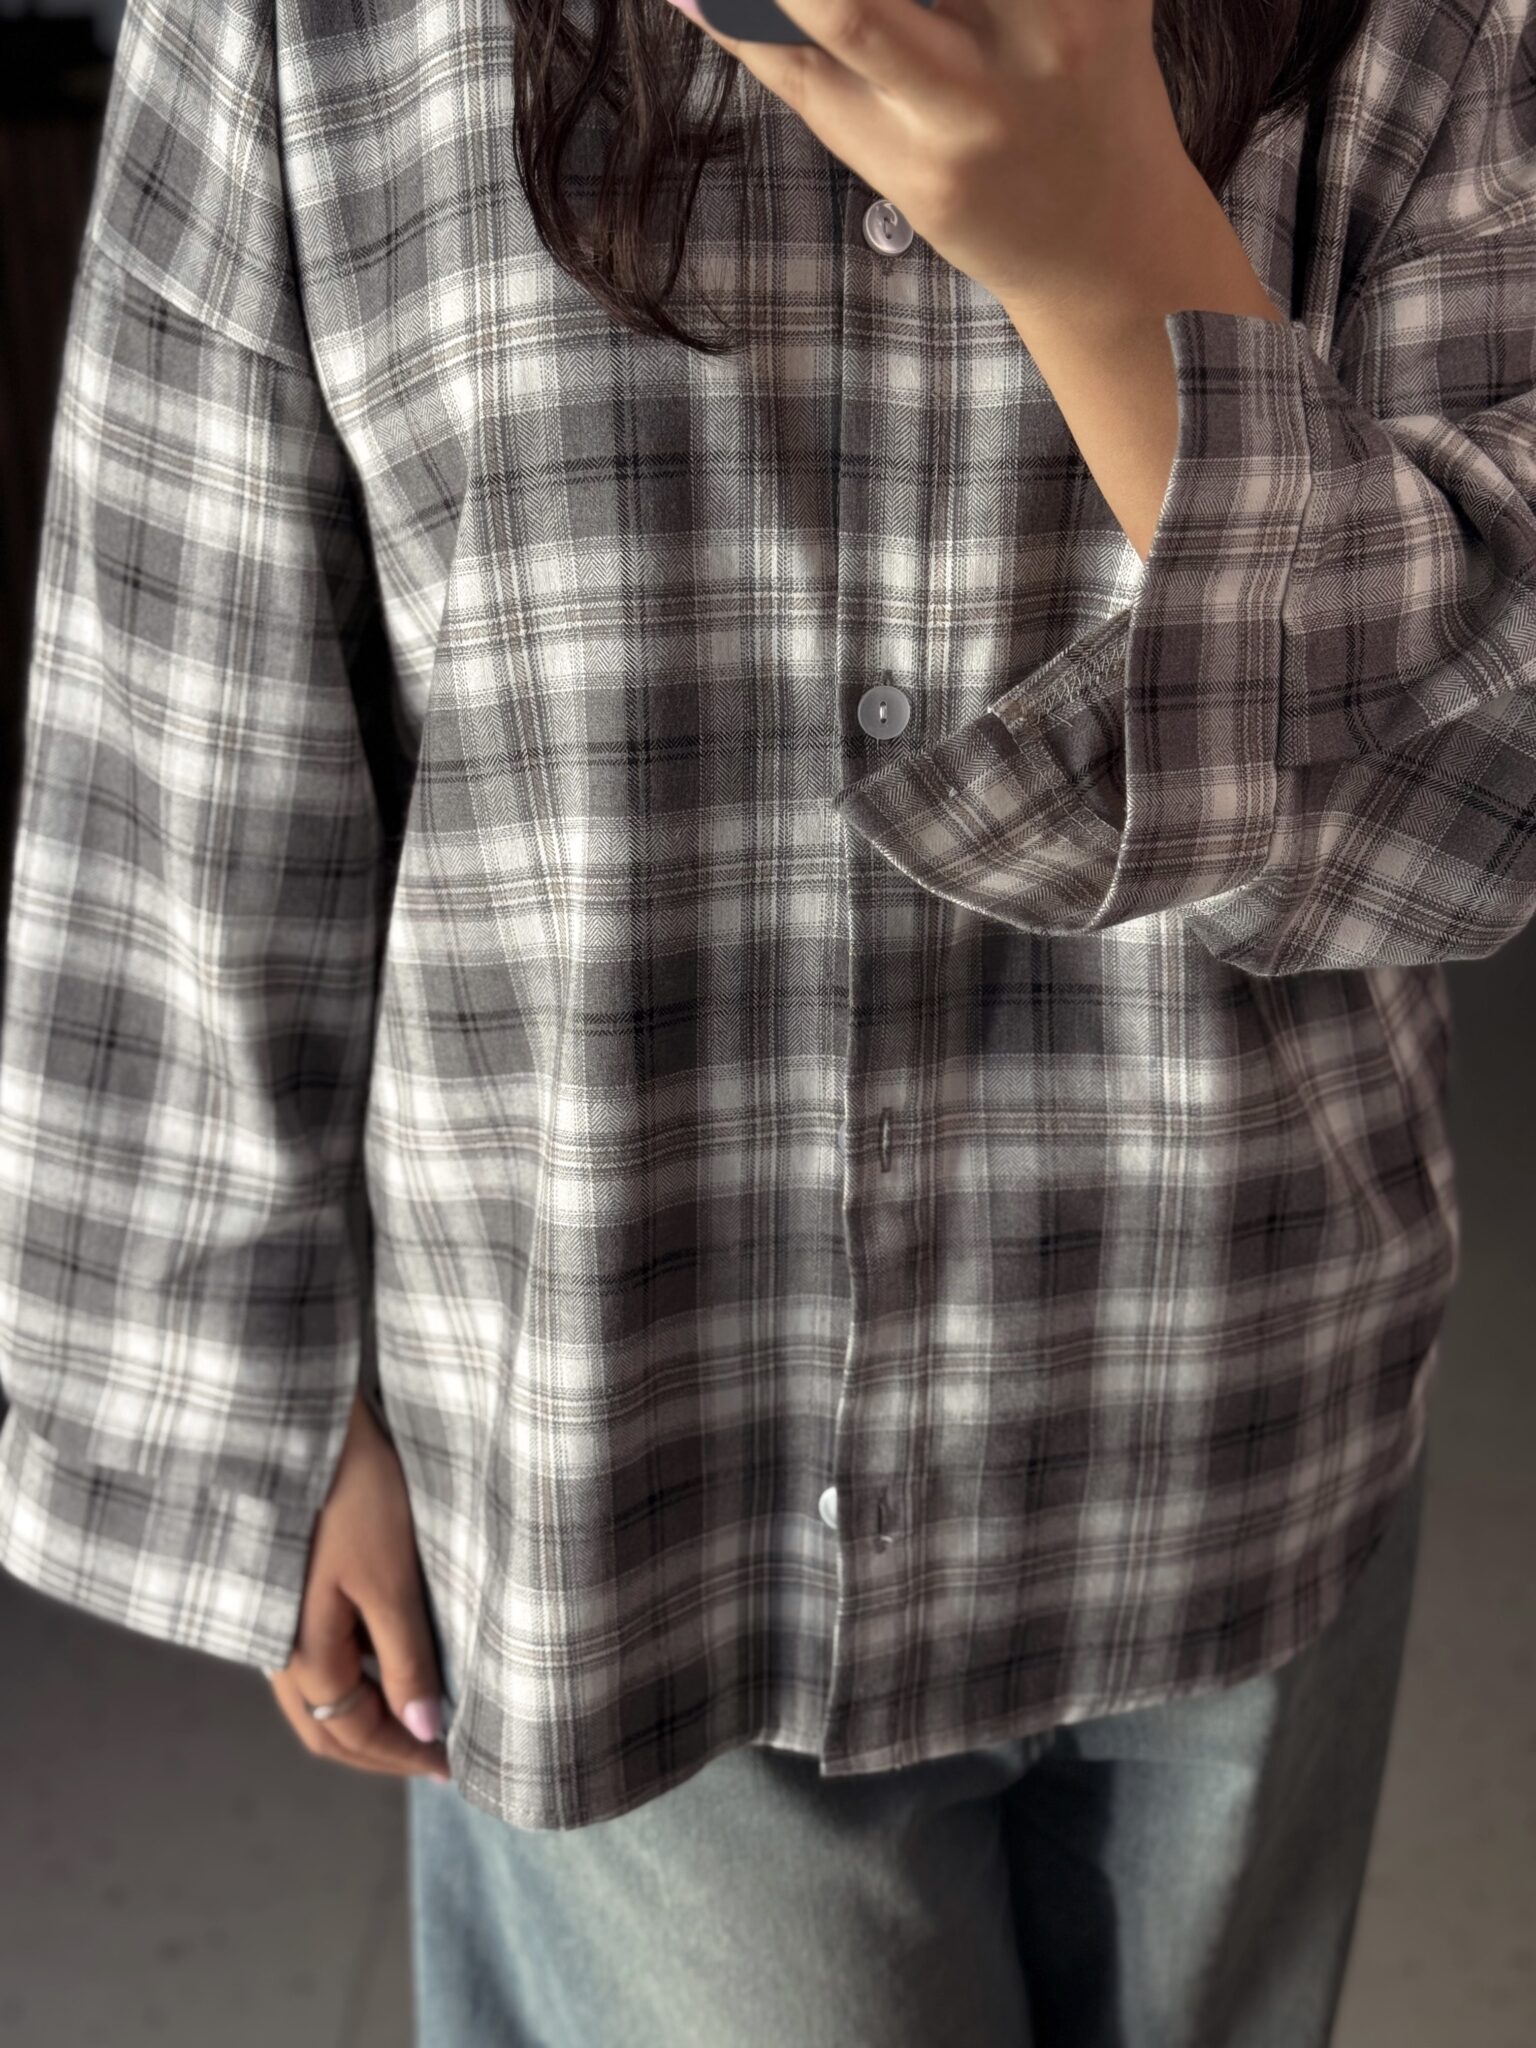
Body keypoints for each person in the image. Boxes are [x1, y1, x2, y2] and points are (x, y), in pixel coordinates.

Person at [0, 0, 1531, 2037]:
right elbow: (191, 691)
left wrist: (1117, 266)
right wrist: (253, 1413)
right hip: (625, 1433)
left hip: (1227, 1403)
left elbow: (1476, 806)